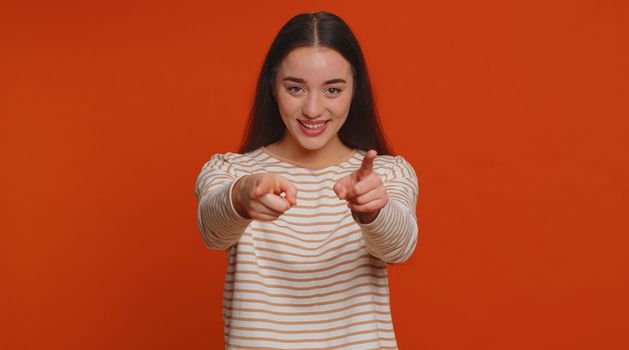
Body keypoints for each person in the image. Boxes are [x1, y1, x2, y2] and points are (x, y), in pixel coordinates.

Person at [194, 11, 419, 349]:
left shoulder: (387, 174)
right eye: (296, 87)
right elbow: (213, 232)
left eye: (332, 89)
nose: (313, 109)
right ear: (272, 86)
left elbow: (400, 247)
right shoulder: (230, 171)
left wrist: (374, 211)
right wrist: (240, 198)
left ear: (355, 89)